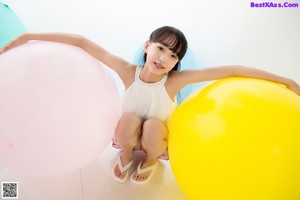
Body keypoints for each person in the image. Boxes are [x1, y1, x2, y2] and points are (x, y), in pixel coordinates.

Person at [1, 26, 300, 184]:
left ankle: (150, 160)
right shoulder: (127, 70)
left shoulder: (174, 81)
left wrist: (285, 80)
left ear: (176, 62)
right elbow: (82, 42)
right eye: (160, 49)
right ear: (147, 46)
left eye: (172, 56)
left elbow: (232, 69)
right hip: (128, 135)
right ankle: (129, 155)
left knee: (154, 125)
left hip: (159, 141)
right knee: (130, 119)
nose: (164, 59)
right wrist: (29, 36)